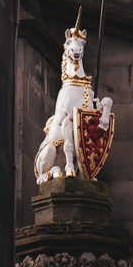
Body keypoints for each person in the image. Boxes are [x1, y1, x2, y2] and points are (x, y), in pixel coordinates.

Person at [33, 15, 96, 185]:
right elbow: (67, 120)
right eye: (71, 44)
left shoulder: (87, 90)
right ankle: (50, 170)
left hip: (76, 155)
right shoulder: (65, 91)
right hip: (57, 147)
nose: (76, 49)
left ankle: (80, 168)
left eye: (80, 45)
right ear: (67, 48)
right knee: (54, 144)